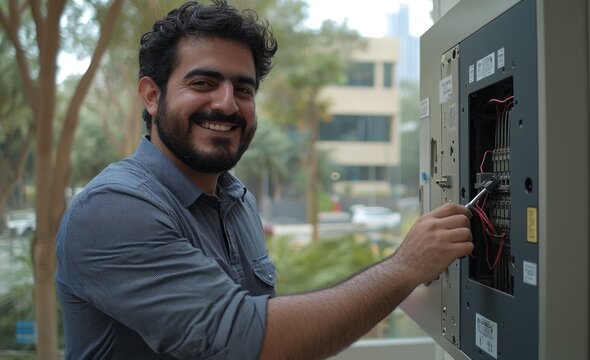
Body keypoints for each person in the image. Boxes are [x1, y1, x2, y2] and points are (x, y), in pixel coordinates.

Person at [55, 1, 473, 359]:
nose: (226, 104)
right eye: (202, 83)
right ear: (151, 95)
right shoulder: (113, 208)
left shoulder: (237, 201)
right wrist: (405, 267)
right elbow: (248, 342)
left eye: (244, 89)